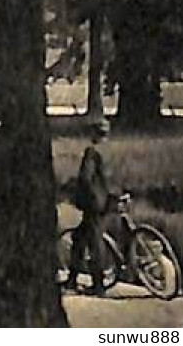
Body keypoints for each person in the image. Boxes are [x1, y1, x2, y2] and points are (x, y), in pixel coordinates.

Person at [69, 117, 115, 294]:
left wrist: (78, 193)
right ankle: (73, 278)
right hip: (107, 199)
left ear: (94, 133)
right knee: (80, 237)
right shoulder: (109, 150)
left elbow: (86, 178)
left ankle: (98, 284)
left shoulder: (92, 151)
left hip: (94, 203)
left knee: (94, 242)